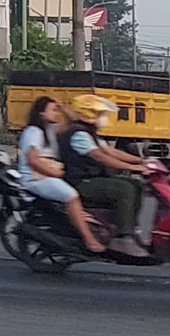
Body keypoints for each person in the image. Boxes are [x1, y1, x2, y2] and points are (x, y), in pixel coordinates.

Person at [59, 94, 151, 259]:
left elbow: (111, 151)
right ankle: (122, 237)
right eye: (100, 113)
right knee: (124, 189)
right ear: (88, 114)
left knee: (135, 184)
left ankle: (131, 229)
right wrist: (134, 167)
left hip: (93, 178)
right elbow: (101, 157)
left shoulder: (89, 132)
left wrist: (143, 160)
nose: (103, 117)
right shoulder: (79, 134)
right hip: (82, 182)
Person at [18, 96, 107, 255]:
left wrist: (61, 106)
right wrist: (53, 173)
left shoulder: (50, 129)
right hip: (35, 177)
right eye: (53, 110)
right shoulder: (34, 132)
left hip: (47, 174)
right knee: (71, 196)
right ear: (41, 113)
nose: (56, 113)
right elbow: (32, 160)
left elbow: (72, 121)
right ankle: (89, 240)